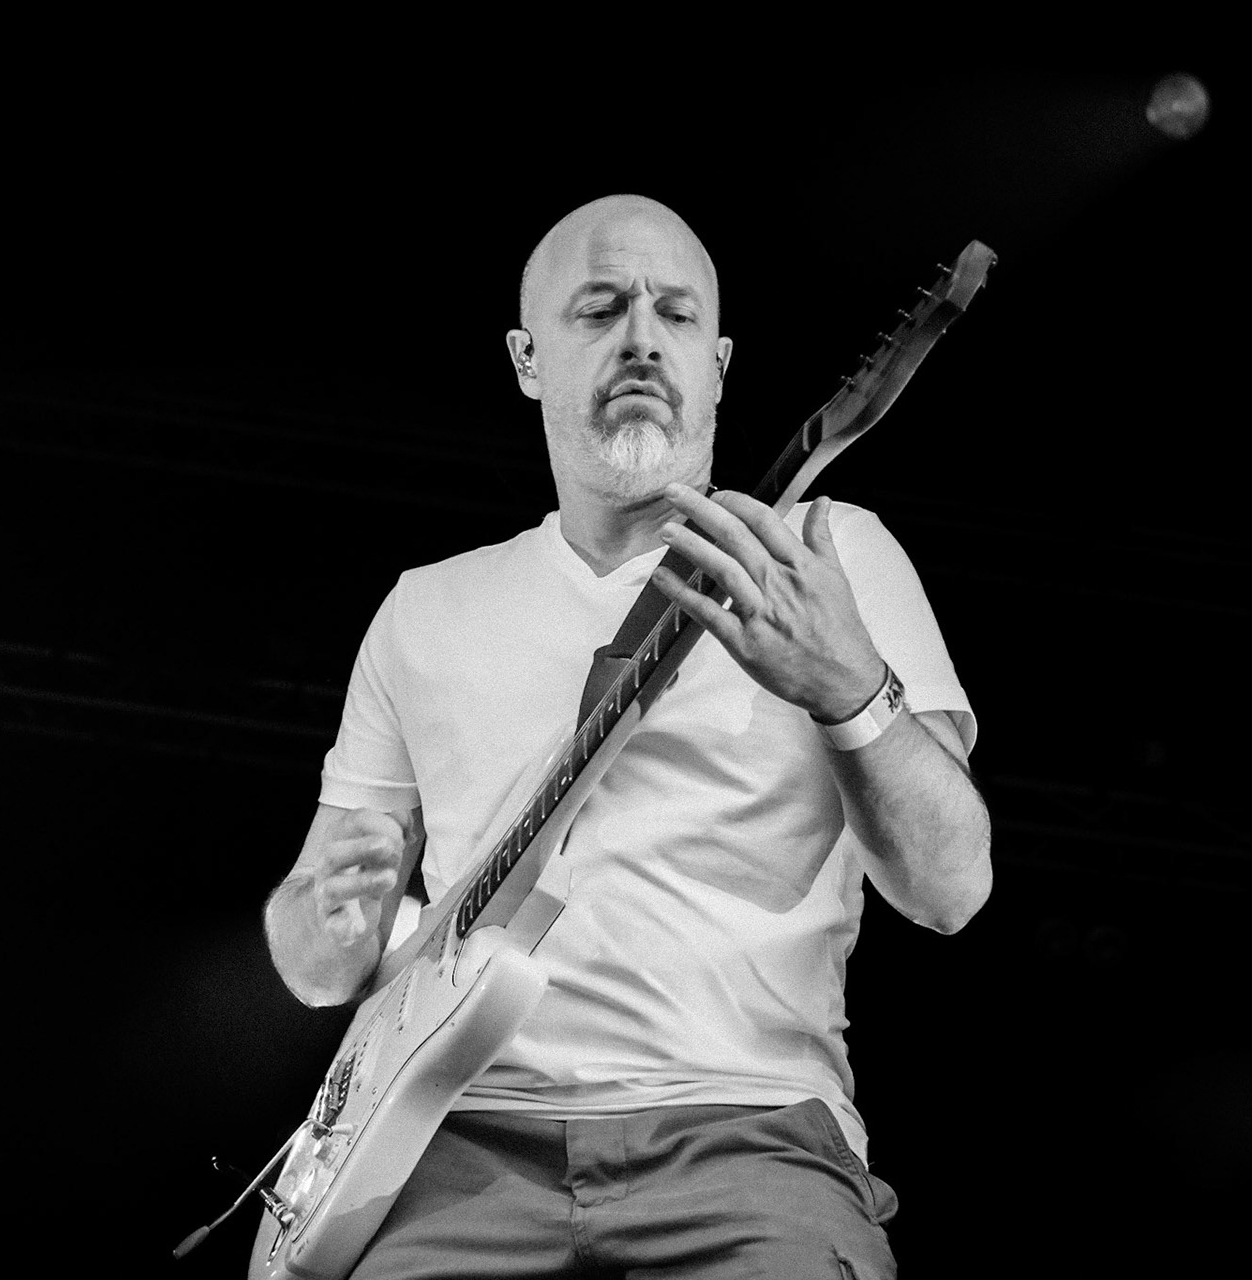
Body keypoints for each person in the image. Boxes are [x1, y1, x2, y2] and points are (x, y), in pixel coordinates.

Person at [262, 193, 992, 1278]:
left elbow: (952, 886)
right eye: (599, 310)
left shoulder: (824, 553)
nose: (642, 337)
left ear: (719, 360)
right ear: (527, 358)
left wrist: (849, 687)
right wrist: (332, 920)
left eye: (676, 314)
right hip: (453, 1148)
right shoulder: (427, 606)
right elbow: (315, 954)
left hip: (748, 1133)